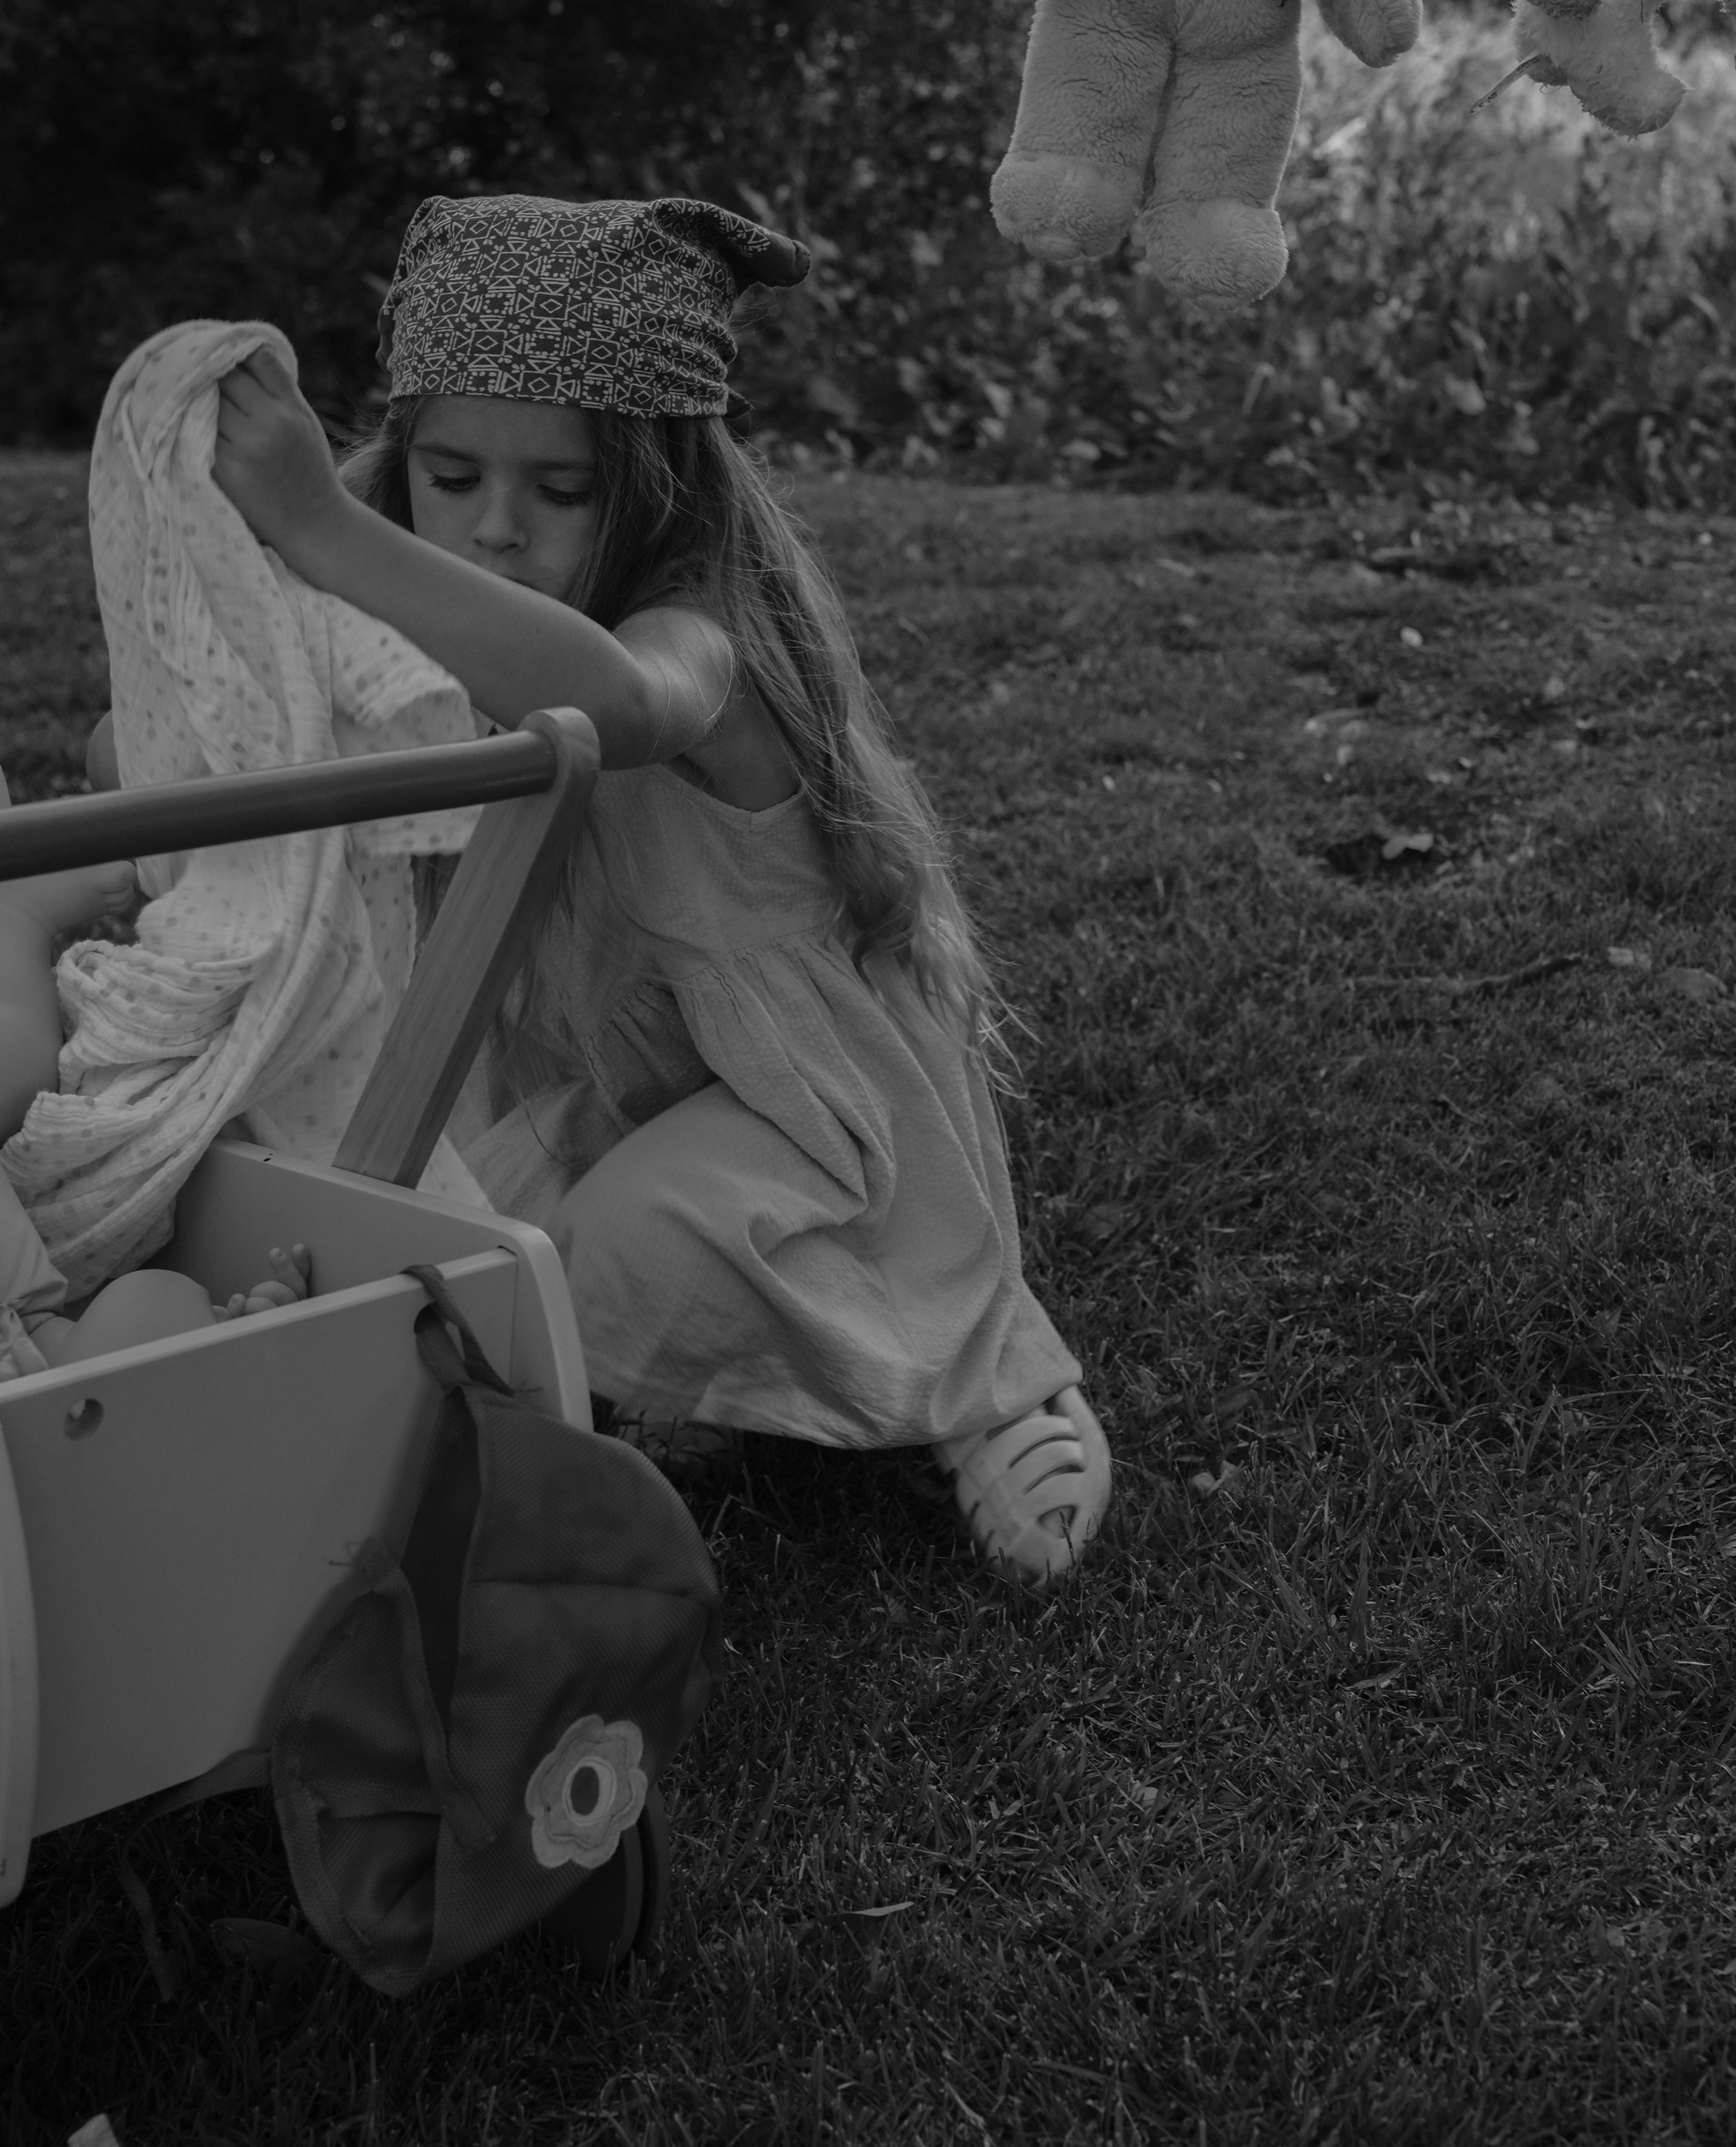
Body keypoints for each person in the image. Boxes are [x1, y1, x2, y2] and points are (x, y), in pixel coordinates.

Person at [207, 192, 1110, 1584]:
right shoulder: (417, 616)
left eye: (559, 492)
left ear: (657, 487)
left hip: (801, 1101)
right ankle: (688, 1373)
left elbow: (614, 702)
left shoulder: (702, 629)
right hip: (610, 1066)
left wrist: (323, 528)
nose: (493, 532)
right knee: (464, 1221)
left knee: (617, 1247)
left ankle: (992, 1373)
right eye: (450, 478)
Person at [0, 809, 309, 1377]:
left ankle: (213, 1374)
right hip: (52, 1406)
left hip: (46, 1379)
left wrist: (176, 1333)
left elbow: (41, 1332)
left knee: (146, 1307)